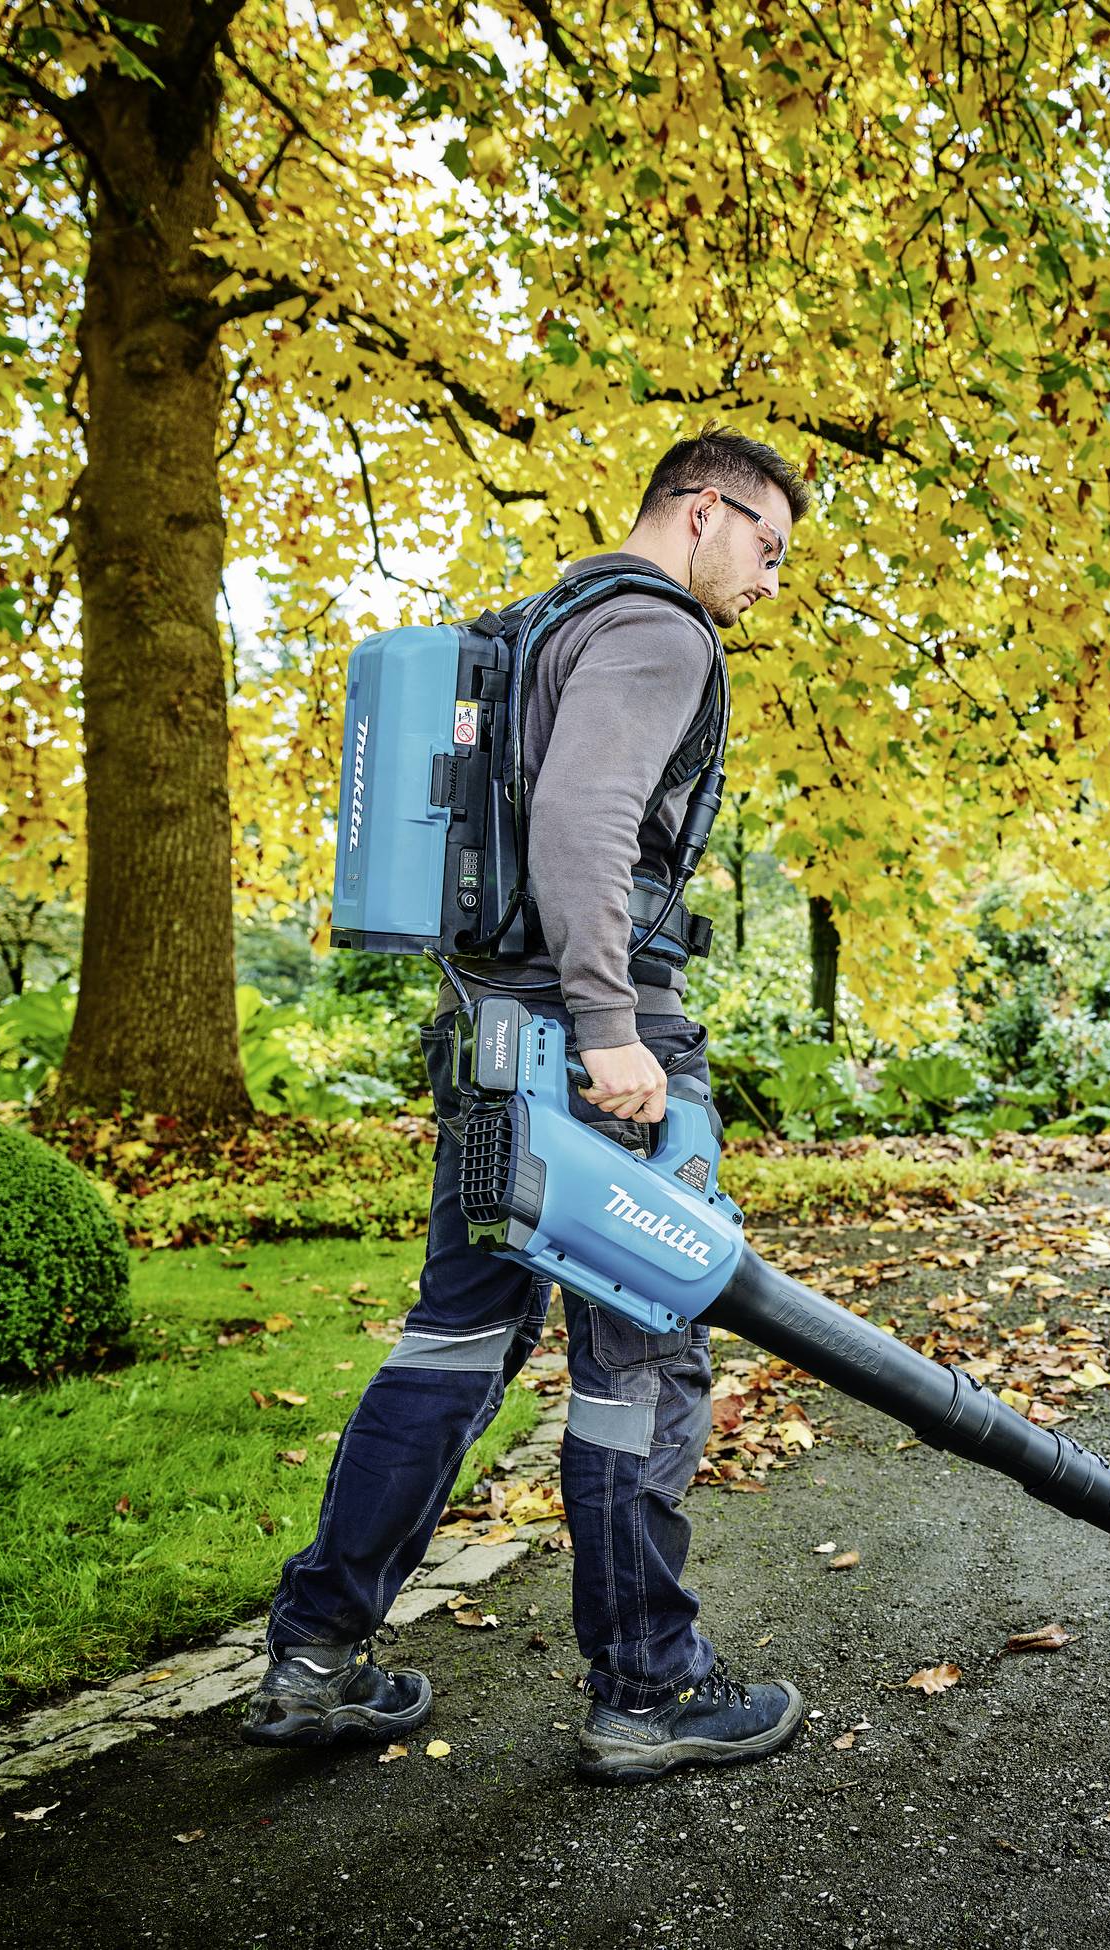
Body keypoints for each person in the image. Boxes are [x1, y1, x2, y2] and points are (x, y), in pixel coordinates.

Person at [242, 428, 814, 1785]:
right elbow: (582, 819)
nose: (771, 584)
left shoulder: (535, 629)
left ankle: (316, 1655)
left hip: (495, 1034)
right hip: (597, 1050)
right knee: (643, 1358)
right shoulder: (658, 630)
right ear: (702, 510)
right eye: (769, 549)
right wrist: (615, 1028)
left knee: (457, 1342)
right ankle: (650, 1689)